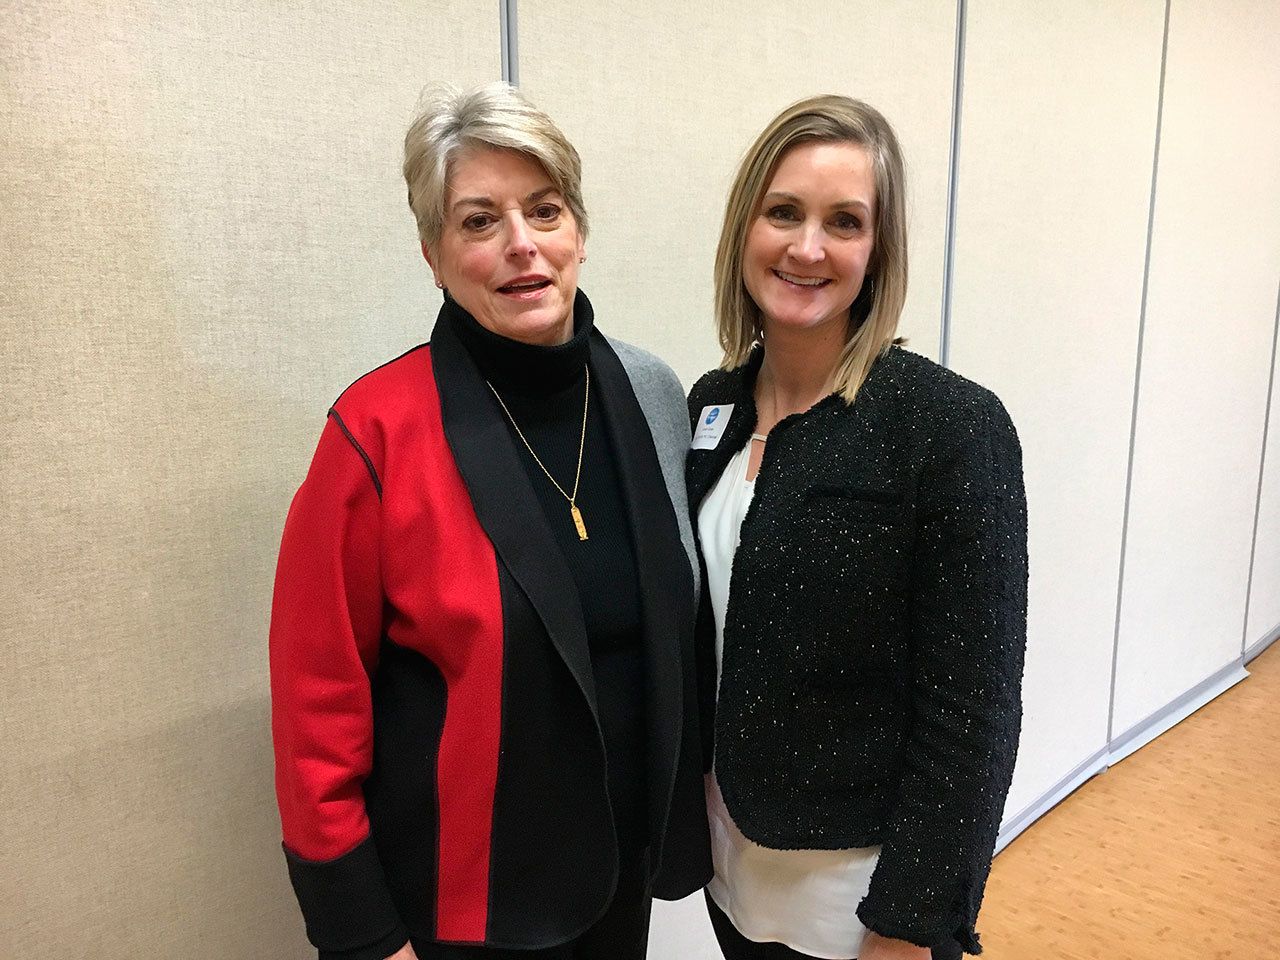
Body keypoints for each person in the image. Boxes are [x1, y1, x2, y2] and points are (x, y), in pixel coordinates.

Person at [269, 82, 710, 960]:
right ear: (432, 253)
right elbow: (316, 707)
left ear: (578, 230)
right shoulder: (375, 432)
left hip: (622, 880)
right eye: (479, 221)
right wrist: (361, 935)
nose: (522, 246)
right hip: (461, 907)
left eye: (544, 211)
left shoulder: (651, 391)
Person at [686, 95, 1028, 960]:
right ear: (745, 231)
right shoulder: (710, 407)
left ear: (877, 251)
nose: (807, 247)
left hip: (857, 902)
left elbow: (973, 713)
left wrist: (911, 924)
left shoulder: (946, 427)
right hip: (730, 869)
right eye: (783, 213)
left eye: (845, 221)